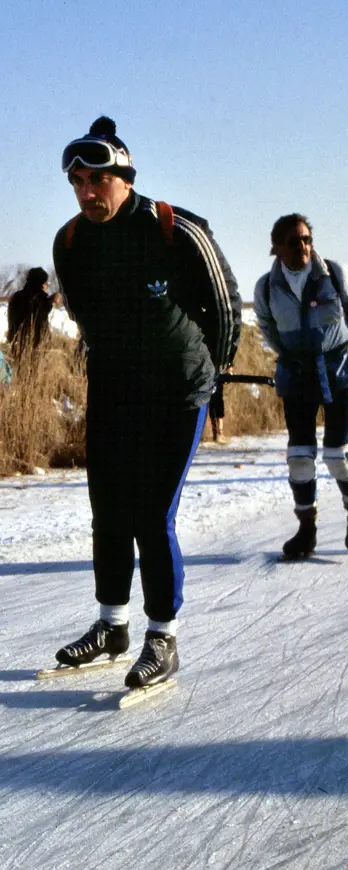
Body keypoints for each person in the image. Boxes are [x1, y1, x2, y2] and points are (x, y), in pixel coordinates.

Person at [51, 117, 242, 690]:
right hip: (114, 386)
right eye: (77, 183)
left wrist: (214, 372)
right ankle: (113, 626)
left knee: (152, 515)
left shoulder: (173, 228)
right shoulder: (71, 241)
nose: (87, 193)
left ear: (124, 176)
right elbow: (85, 314)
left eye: (97, 181)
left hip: (179, 389)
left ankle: (163, 636)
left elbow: (224, 306)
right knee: (108, 509)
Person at [253, 213, 348, 560]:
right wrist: (291, 357)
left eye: (307, 239)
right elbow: (266, 326)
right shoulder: (266, 287)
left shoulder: (334, 275)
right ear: (276, 247)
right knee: (299, 458)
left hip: (340, 373)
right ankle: (306, 529)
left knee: (340, 457)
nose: (303, 247)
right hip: (297, 376)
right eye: (294, 242)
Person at [6, 266, 57, 361]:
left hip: (16, 343)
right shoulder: (40, 299)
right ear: (42, 284)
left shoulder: (17, 296)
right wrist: (49, 300)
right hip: (36, 347)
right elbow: (40, 318)